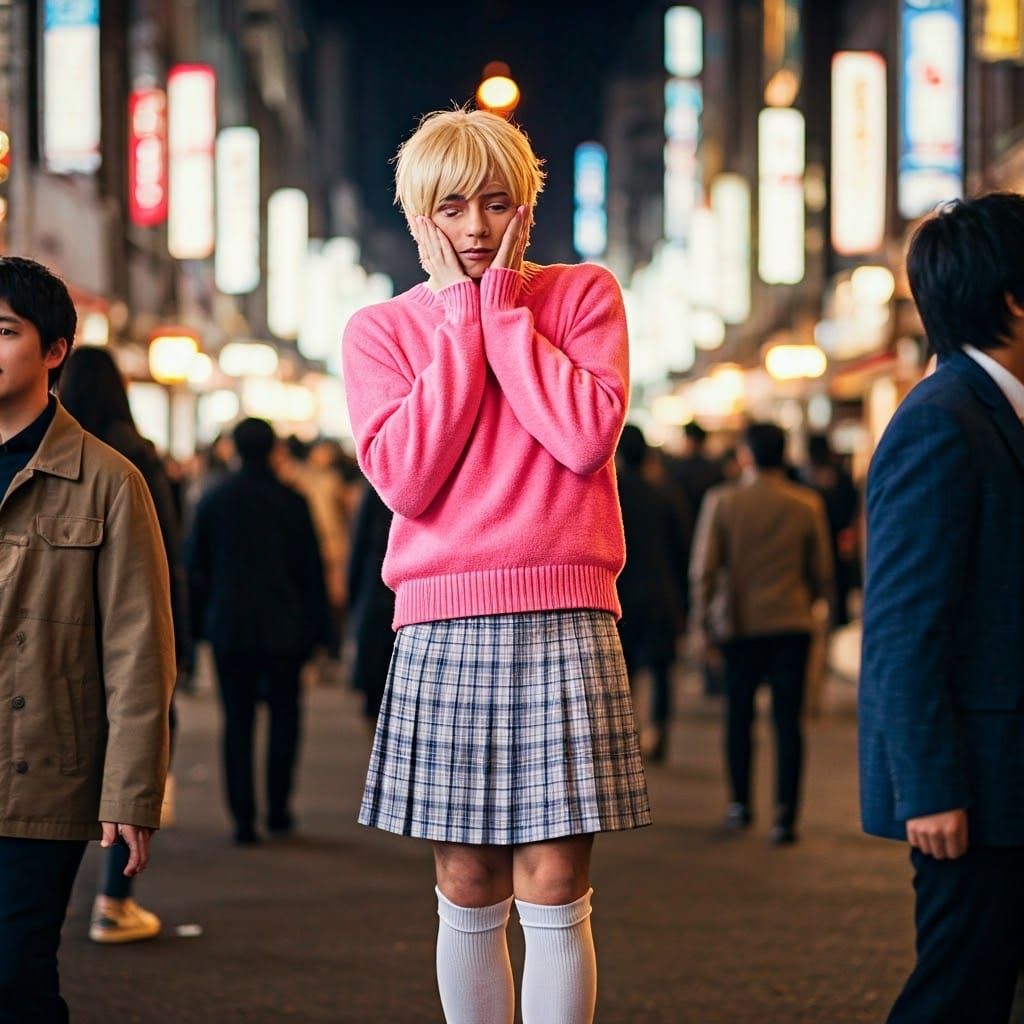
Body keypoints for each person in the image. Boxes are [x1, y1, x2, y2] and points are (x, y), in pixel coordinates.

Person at [342, 108, 650, 1024]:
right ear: (415, 218)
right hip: (442, 619)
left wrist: (499, 312)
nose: (476, 229)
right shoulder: (381, 330)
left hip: (568, 611)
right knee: (467, 876)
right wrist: (457, 323)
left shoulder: (584, 294)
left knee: (557, 878)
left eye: (496, 203)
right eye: (450, 209)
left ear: (528, 205)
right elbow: (407, 475)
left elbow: (585, 436)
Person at [860, 192, 1024, 1023]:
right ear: (1013, 300)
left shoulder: (989, 411)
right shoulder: (943, 422)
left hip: (1005, 779)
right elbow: (900, 627)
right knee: (957, 996)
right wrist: (926, 789)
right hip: (976, 789)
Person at [0, 257, 174, 1021]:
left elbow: (140, 650)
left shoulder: (107, 480)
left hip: (43, 775)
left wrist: (130, 792)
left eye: (4, 331)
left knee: (17, 976)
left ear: (54, 350)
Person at [59, 345, 188, 944]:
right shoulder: (134, 459)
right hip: (128, 636)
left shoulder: (48, 452)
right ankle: (113, 898)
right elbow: (164, 563)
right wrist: (177, 646)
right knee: (137, 745)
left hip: (57, 645)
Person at [185, 417, 330, 844]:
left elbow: (196, 568)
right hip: (285, 629)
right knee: (285, 718)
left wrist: (196, 629)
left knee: (237, 721)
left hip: (230, 628)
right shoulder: (291, 501)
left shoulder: (214, 501)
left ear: (233, 450)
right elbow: (311, 571)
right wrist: (319, 631)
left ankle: (243, 818)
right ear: (273, 451)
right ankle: (279, 809)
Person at [690, 421, 833, 845]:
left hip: (739, 626)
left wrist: (702, 623)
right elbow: (822, 570)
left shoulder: (723, 501)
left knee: (739, 715)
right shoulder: (806, 504)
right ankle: (785, 814)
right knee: (788, 721)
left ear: (746, 454)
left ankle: (740, 803)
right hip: (791, 622)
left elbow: (704, 570)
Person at [614, 424, 690, 764]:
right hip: (661, 594)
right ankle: (658, 733)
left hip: (620, 594)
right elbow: (682, 551)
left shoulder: (610, 497)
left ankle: (626, 734)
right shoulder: (665, 494)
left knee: (623, 670)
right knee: (661, 670)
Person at [346, 482, 395, 730]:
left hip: (376, 599)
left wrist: (353, 599)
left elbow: (358, 548)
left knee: (375, 697)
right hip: (409, 603)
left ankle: (378, 758)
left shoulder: (377, 488)